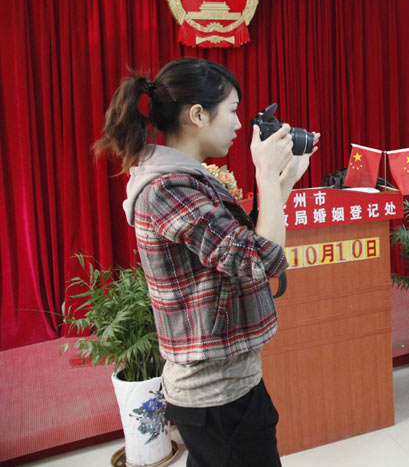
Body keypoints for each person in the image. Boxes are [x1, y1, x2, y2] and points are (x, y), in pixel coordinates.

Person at [94, 58, 319, 467]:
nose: (239, 124)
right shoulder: (168, 188)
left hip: (229, 383)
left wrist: (283, 180)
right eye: (232, 110)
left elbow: (240, 246)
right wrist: (264, 176)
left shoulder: (185, 180)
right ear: (198, 115)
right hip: (214, 395)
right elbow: (260, 259)